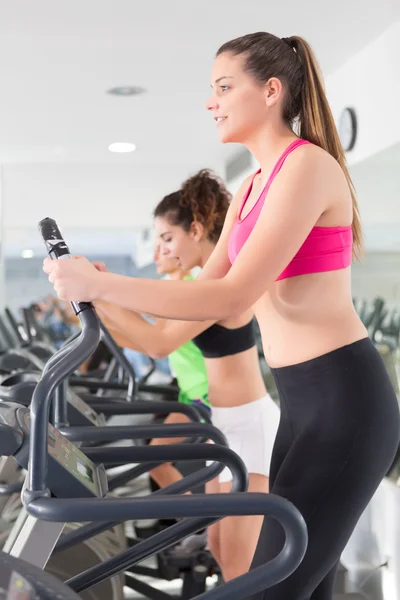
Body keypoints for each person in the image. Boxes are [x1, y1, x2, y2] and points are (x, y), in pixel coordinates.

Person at [44, 32, 400, 599]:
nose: (211, 101)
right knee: (298, 580)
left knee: (273, 584)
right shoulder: (251, 187)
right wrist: (96, 289)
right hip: (303, 404)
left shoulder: (306, 168)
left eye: (224, 87)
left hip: (345, 401)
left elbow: (233, 298)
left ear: (271, 92)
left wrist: (101, 282)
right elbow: (193, 305)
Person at [94, 169, 280, 582]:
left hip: (250, 428)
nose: (164, 249)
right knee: (217, 547)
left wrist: (99, 289)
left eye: (166, 238)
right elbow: (145, 336)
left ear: (196, 230)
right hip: (225, 425)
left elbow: (156, 343)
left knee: (238, 566)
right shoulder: (204, 284)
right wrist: (96, 296)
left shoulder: (216, 287)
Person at [100, 243, 210, 492]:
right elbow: (143, 341)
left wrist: (103, 296)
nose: (156, 255)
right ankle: (194, 526)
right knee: (155, 460)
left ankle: (192, 525)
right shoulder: (176, 286)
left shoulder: (189, 288)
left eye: (166, 242)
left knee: (155, 460)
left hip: (206, 394)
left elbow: (156, 342)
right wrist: (100, 317)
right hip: (191, 392)